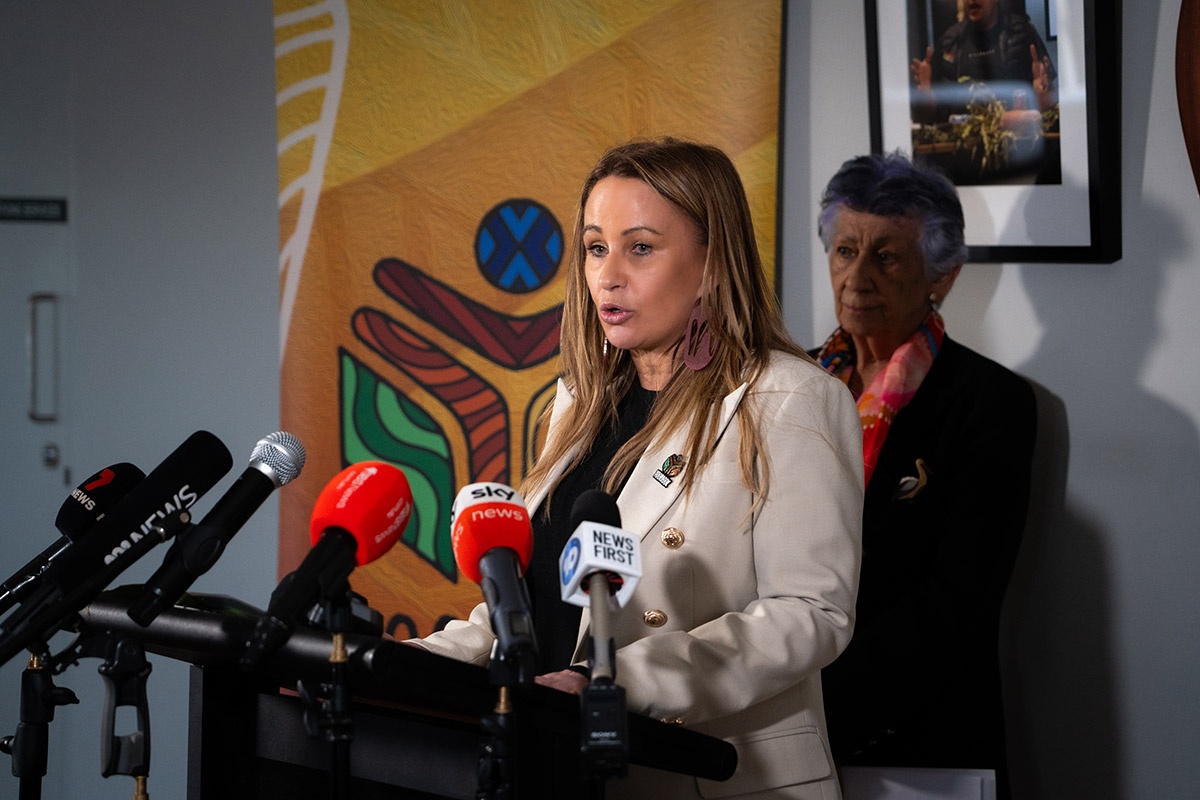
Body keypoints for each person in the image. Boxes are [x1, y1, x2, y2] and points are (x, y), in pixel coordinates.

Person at [415, 137, 864, 799]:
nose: (607, 275)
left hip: (712, 778)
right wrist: (400, 665)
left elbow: (811, 613)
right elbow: (539, 607)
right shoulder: (579, 398)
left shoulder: (790, 399)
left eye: (641, 247)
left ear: (713, 262)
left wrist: (618, 683)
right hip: (558, 768)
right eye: (597, 247)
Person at [812, 152, 1036, 798]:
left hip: (921, 748)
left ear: (943, 278)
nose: (856, 276)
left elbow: (956, 605)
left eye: (886, 256)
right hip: (785, 733)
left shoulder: (991, 404)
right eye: (845, 250)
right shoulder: (790, 384)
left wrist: (816, 698)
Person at [911, 0, 1057, 118]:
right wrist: (925, 93)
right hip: (963, 146)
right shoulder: (951, 42)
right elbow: (929, 115)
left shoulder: (1021, 34)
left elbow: (1048, 106)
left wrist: (1042, 94)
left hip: (1015, 144)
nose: (971, 1)